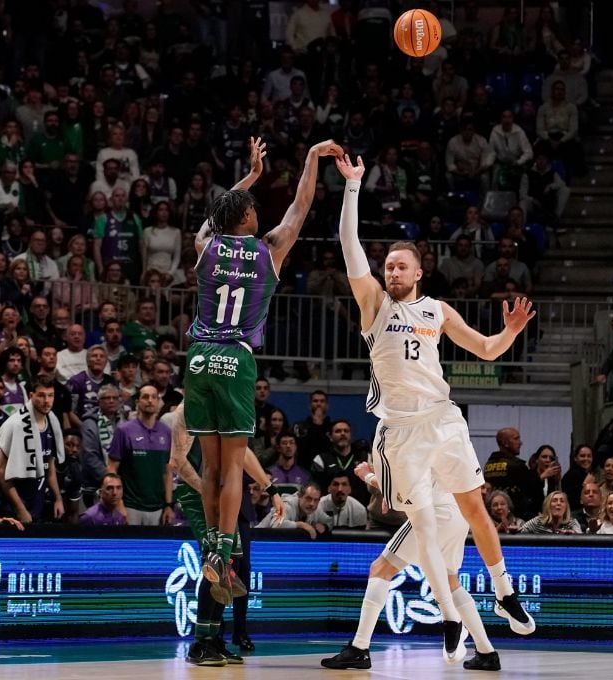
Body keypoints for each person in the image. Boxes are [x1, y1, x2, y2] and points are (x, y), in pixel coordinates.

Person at [335, 153, 536, 653]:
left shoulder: (438, 310)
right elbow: (349, 245)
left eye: (401, 266)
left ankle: (505, 591)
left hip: (443, 420)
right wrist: (354, 187)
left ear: (419, 272)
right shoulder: (375, 304)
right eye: (388, 266)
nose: (393, 271)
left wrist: (508, 332)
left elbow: (487, 349)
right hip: (401, 430)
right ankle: (451, 620)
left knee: (476, 507)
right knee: (421, 524)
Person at [183, 137, 340, 601]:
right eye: (252, 205)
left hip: (198, 357)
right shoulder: (269, 248)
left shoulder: (204, 246)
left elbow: (217, 215)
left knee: (209, 467)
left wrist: (249, 177)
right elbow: (302, 204)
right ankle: (226, 554)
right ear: (248, 218)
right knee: (234, 469)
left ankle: (211, 544)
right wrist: (311, 157)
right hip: (236, 358)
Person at [322, 461, 500, 671]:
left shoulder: (416, 436)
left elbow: (403, 490)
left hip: (434, 513)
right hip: (458, 513)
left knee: (381, 568)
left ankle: (359, 648)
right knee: (451, 581)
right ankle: (486, 652)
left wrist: (367, 476)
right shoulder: (453, 438)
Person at [166, 402, 282, 665]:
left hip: (222, 491)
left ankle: (214, 638)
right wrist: (208, 493)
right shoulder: (188, 409)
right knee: (215, 561)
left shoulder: (230, 405)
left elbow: (242, 454)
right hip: (196, 492)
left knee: (233, 562)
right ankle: (200, 643)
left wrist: (270, 489)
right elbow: (177, 461)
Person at [0, 377, 66, 524]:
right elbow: (1, 472)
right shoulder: (15, 424)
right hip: (13, 508)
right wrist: (20, 509)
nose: (47, 400)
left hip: (37, 504)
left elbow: (49, 465)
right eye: (41, 395)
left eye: (50, 395)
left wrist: (58, 498)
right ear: (31, 395)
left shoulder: (52, 423)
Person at [106, 384, 173, 525]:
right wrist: (119, 504)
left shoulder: (166, 432)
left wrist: (168, 505)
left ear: (158, 402)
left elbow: (167, 473)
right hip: (131, 507)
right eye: (145, 397)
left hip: (158, 508)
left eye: (154, 397)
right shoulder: (124, 431)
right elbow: (112, 469)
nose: (150, 400)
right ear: (137, 402)